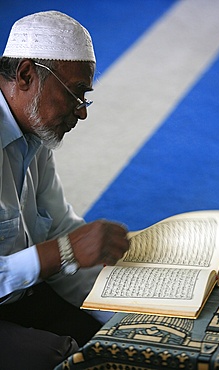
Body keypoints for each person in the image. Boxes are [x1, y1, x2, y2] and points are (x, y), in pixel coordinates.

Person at [0, 10, 129, 370]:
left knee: (109, 341)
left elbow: (60, 228)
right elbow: (65, 249)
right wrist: (61, 252)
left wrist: (129, 312)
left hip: (17, 295)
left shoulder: (33, 138)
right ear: (26, 75)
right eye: (75, 93)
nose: (81, 112)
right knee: (62, 358)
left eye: (84, 97)